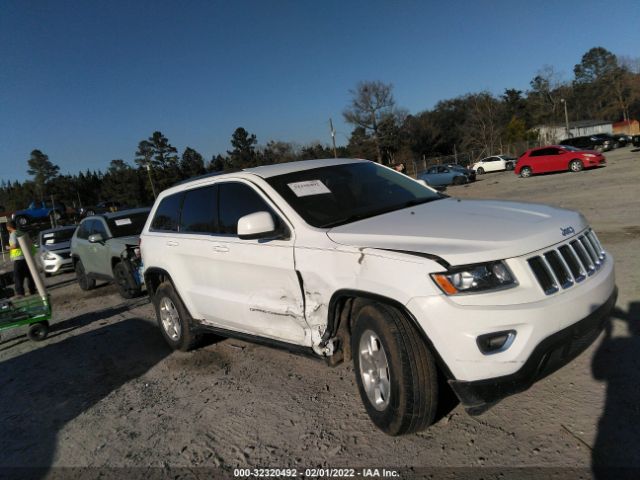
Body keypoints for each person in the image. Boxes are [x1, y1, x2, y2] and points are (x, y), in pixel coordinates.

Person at [6, 220, 36, 297]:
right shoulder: (22, 233)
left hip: (19, 259)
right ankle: (32, 290)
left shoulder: (13, 234)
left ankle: (20, 293)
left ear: (8, 227)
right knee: (29, 275)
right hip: (27, 257)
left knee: (18, 277)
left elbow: (15, 245)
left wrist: (8, 247)